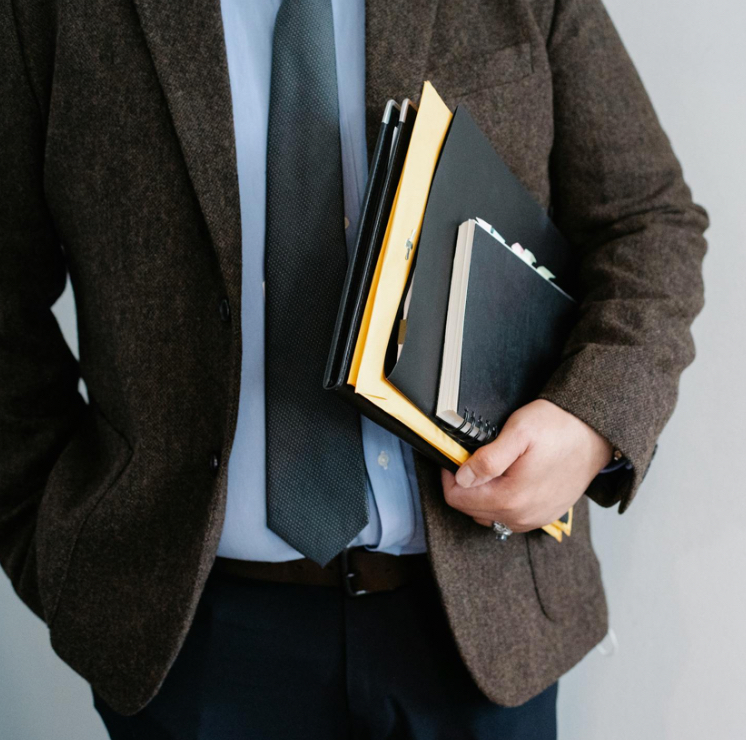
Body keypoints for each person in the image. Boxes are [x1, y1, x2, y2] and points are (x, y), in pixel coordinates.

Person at [0, 0, 707, 736]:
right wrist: (53, 548)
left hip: (479, 621)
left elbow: (645, 220)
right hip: (189, 639)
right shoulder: (53, 14)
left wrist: (592, 418)